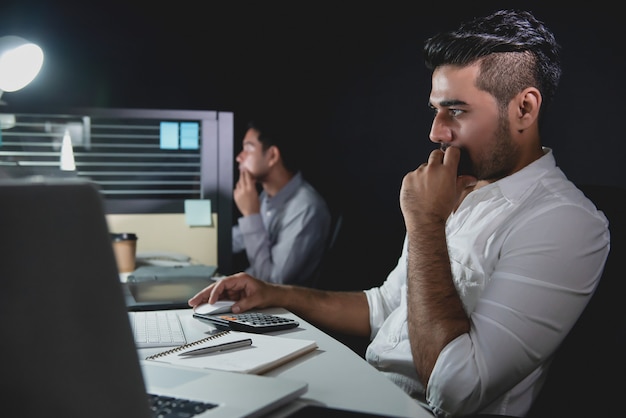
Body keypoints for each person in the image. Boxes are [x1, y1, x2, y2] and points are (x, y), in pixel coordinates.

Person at [191, 9, 610, 417]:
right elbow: (384, 307)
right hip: (364, 388)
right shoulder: (453, 186)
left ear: (524, 109)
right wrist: (275, 293)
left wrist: (425, 221)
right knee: (201, 387)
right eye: (435, 109)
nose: (435, 131)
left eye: (457, 110)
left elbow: (455, 389)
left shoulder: (565, 222)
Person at [230, 115, 331, 287]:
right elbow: (237, 239)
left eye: (248, 148)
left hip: (282, 308)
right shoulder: (267, 197)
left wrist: (251, 215)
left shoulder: (306, 208)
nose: (239, 157)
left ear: (272, 155)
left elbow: (272, 282)